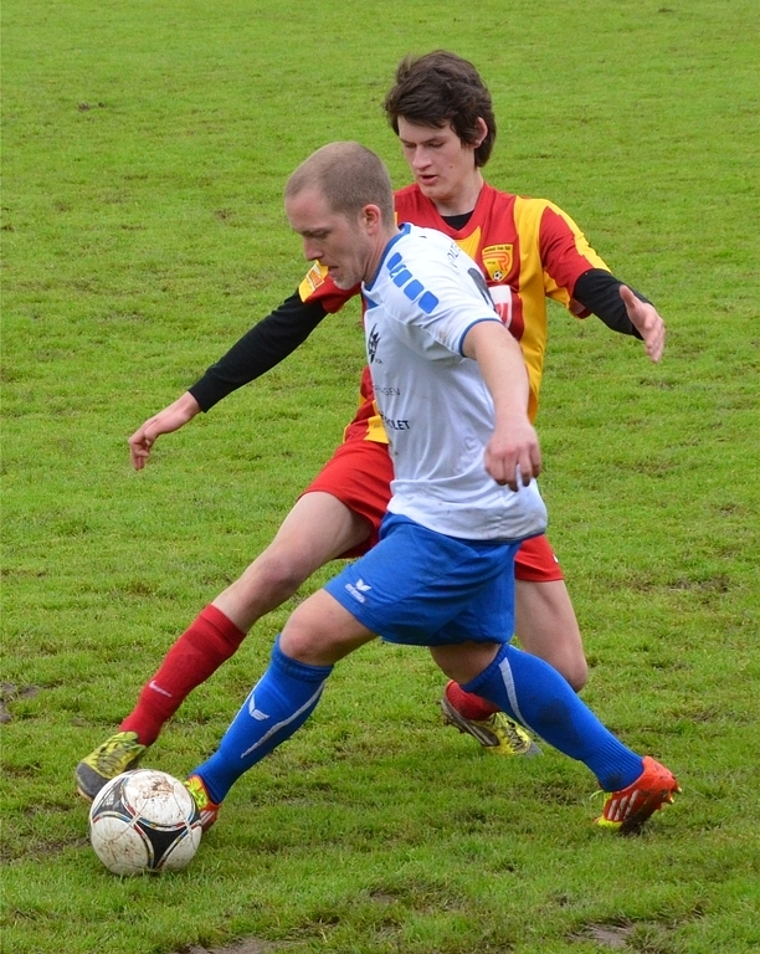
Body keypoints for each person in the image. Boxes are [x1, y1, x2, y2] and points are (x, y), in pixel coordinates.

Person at [75, 51, 667, 801]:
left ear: (475, 135)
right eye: (407, 145)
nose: (418, 162)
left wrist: (632, 308)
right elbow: (289, 317)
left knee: (564, 672)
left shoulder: (517, 223)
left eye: (434, 144)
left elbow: (585, 279)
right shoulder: (379, 222)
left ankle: (481, 703)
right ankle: (143, 736)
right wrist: (189, 402)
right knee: (279, 574)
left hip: (480, 466)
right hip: (389, 450)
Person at [175, 140, 679, 837]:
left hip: (454, 519)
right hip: (460, 505)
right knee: (469, 658)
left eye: (319, 235)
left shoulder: (414, 279)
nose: (310, 253)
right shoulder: (402, 258)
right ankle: (630, 775)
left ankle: (200, 793)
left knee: (305, 636)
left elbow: (493, 343)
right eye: (302, 238)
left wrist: (509, 425)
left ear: (370, 218)